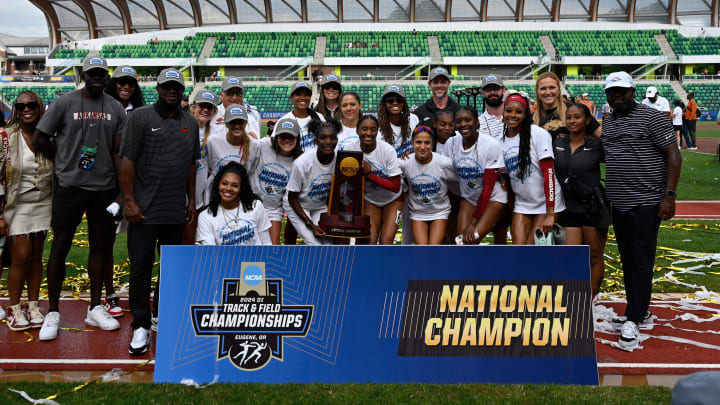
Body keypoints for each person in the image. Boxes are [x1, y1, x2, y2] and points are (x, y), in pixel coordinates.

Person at [33, 55, 124, 340]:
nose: (96, 77)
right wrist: (63, 160)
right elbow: (40, 138)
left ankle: (95, 307)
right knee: (60, 245)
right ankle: (53, 311)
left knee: (100, 246)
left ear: (106, 75)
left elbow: (118, 151)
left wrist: (122, 192)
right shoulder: (65, 102)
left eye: (100, 73)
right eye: (91, 73)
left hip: (103, 187)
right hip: (70, 185)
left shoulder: (115, 107)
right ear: (83, 75)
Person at [120, 68, 200, 355]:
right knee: (140, 266)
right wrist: (129, 200)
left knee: (170, 267)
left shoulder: (190, 123)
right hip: (143, 209)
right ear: (158, 88)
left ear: (182, 91)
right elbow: (127, 161)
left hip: (174, 209)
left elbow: (192, 164)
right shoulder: (140, 117)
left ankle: (160, 315)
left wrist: (191, 200)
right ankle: (140, 324)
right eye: (166, 86)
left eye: (176, 87)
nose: (171, 91)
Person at [602, 71, 681, 349]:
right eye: (613, 92)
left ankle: (634, 318)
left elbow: (673, 154)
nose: (617, 95)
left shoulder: (653, 117)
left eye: (622, 90)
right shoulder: (608, 122)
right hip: (619, 203)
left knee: (641, 259)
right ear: (607, 95)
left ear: (633, 91)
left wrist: (669, 196)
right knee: (628, 258)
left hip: (647, 201)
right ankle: (640, 311)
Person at [0, 91, 53, 331]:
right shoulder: (5, 137)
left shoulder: (50, 136)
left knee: (35, 257)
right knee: (20, 256)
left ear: (39, 107)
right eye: (21, 107)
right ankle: (14, 307)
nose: (26, 110)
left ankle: (33, 305)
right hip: (16, 204)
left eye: (31, 105)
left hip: (44, 203)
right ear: (16, 111)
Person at [102, 65, 147, 317]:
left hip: (136, 186)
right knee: (105, 242)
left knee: (137, 243)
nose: (126, 86)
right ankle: (109, 295)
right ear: (113, 83)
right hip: (107, 184)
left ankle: (136, 294)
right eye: (121, 82)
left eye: (130, 82)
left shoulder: (140, 112)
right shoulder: (102, 109)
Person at [553, 103, 608, 296]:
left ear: (587, 120)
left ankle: (591, 297)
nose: (572, 121)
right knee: (572, 256)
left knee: (594, 255)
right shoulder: (558, 144)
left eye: (577, 117)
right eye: (569, 117)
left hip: (592, 207)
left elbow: (620, 158)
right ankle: (575, 296)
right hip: (569, 207)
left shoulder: (597, 145)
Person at [500, 92, 565, 245]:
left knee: (532, 248)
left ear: (525, 114)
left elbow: (549, 173)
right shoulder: (500, 142)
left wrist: (550, 214)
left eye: (518, 111)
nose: (513, 115)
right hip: (523, 203)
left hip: (547, 203)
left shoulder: (538, 134)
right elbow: (505, 178)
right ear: (503, 112)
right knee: (519, 249)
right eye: (508, 111)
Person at [442, 106, 506, 245]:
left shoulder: (490, 145)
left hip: (492, 198)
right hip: (469, 197)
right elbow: (442, 170)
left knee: (471, 239)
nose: (463, 124)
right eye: (458, 121)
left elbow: (488, 188)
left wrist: (473, 223)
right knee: (461, 243)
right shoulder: (451, 143)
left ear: (477, 122)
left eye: (468, 120)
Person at [246, 117, 302, 244]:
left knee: (273, 246)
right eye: (283, 136)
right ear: (276, 136)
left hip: (273, 209)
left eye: (291, 137)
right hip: (251, 204)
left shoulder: (300, 161)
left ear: (297, 139)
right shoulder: (264, 145)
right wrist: (247, 137)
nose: (286, 140)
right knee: (248, 243)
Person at [284, 119, 340, 245]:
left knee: (328, 243)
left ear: (337, 140)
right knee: (314, 244)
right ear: (315, 141)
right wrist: (310, 223)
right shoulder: (302, 163)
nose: (328, 142)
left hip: (319, 204)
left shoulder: (340, 159)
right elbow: (292, 197)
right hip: (297, 203)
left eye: (332, 138)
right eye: (323, 138)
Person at [400, 126, 458, 245]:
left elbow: (463, 175)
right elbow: (387, 171)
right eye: (418, 142)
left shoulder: (444, 163)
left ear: (432, 144)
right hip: (417, 213)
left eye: (427, 143)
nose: (422, 147)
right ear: (412, 143)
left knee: (433, 247)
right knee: (423, 249)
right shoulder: (404, 162)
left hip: (439, 212)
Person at [351, 115, 403, 245]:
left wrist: (369, 175)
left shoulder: (387, 150)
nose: (368, 133)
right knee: (370, 240)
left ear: (377, 131)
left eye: (373, 129)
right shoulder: (351, 149)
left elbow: (396, 186)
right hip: (371, 200)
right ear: (357, 131)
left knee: (386, 240)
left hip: (393, 199)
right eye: (364, 129)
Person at [196, 162, 271, 245]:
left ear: (241, 188)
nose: (228, 188)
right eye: (224, 183)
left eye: (235, 185)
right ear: (218, 185)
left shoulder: (256, 206)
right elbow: (210, 253)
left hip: (256, 258)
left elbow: (267, 244)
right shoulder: (206, 217)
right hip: (225, 258)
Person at [182, 90, 222, 245]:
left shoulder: (217, 132)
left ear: (214, 111)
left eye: (209, 107)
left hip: (203, 192)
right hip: (181, 190)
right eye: (202, 106)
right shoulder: (183, 126)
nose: (205, 110)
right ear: (194, 107)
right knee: (184, 234)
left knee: (204, 234)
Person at [533, 72, 600, 139]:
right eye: (543, 88)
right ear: (537, 91)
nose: (548, 92)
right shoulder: (531, 119)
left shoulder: (577, 111)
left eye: (552, 87)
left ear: (558, 89)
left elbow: (602, 137)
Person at [206, 104, 254, 189]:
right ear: (226, 124)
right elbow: (209, 168)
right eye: (233, 122)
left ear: (246, 123)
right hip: (215, 193)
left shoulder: (254, 145)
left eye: (241, 122)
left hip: (240, 194)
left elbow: (251, 172)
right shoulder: (212, 142)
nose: (237, 126)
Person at [279, 81, 324, 152]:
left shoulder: (319, 117)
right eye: (298, 94)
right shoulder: (284, 120)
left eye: (306, 95)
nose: (303, 98)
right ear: (292, 98)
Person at [378, 84, 419, 159]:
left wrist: (415, 151)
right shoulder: (378, 127)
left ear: (404, 102)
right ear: (384, 103)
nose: (395, 103)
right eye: (390, 100)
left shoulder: (413, 119)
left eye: (399, 100)